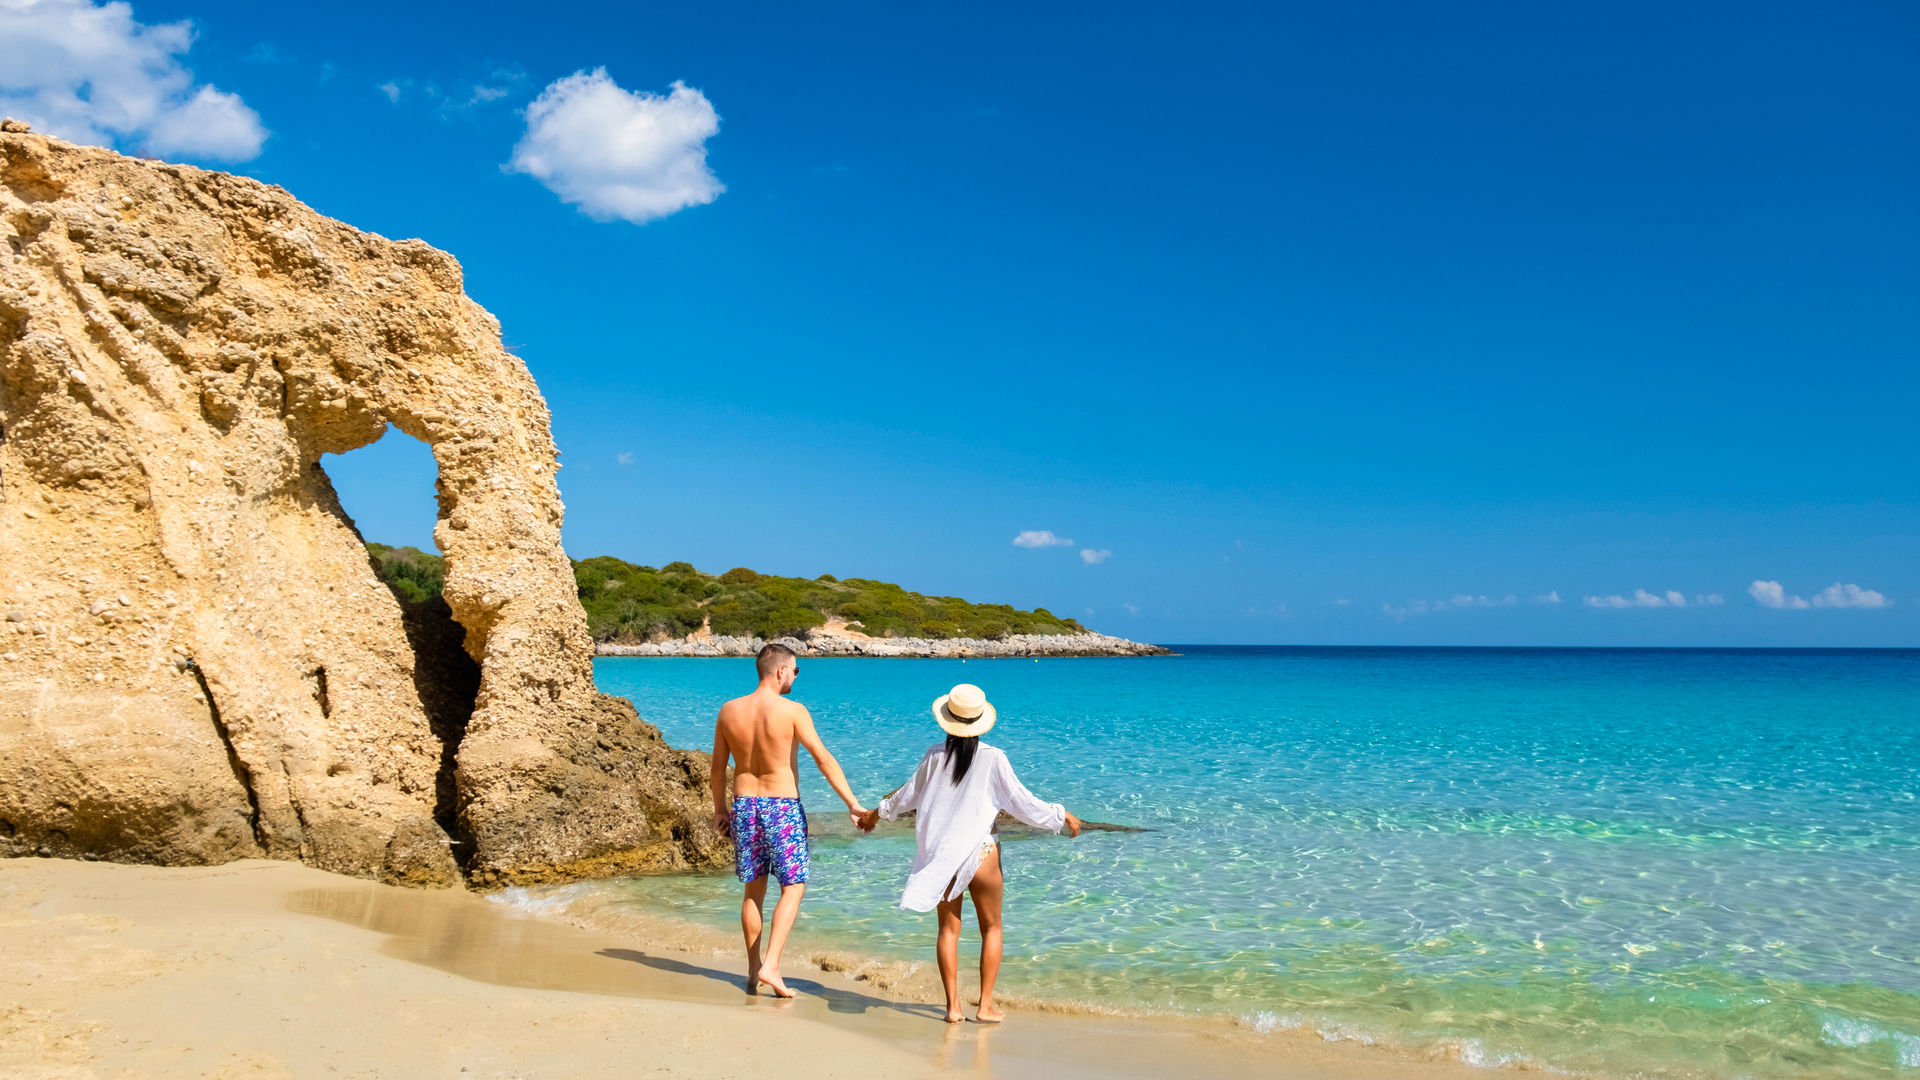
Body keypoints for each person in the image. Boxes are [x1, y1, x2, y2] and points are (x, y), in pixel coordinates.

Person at [857, 683, 1083, 1023]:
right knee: (991, 928)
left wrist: (876, 814)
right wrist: (1060, 815)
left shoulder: (934, 756)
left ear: (947, 720)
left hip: (944, 857)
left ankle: (953, 1008)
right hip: (983, 854)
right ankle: (986, 1005)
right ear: (980, 721)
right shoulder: (994, 758)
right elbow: (1023, 803)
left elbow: (906, 796)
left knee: (949, 931)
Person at [711, 642, 868, 997]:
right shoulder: (793, 710)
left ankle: (753, 973)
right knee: (793, 886)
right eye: (795, 670)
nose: (795, 676)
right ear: (781, 671)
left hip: (745, 804)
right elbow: (823, 758)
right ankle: (772, 965)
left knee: (753, 891)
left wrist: (720, 810)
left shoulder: (729, 710)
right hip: (781, 806)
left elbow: (717, 768)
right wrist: (852, 804)